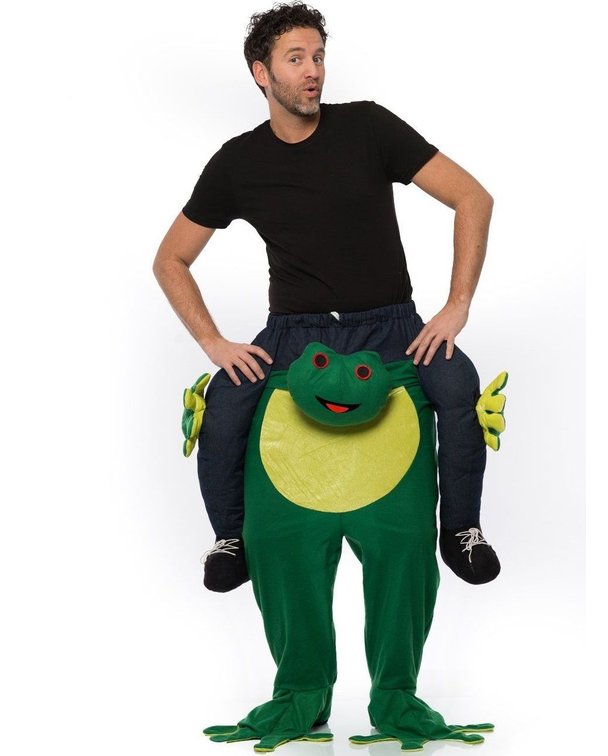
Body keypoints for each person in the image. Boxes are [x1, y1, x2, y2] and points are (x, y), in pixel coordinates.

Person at [153, 1, 500, 591]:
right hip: (296, 332)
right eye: (295, 59)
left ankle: (461, 529)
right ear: (261, 73)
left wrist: (456, 305)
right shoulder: (237, 162)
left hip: (392, 325)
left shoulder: (369, 126)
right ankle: (230, 538)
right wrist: (213, 342)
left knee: (456, 385)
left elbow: (473, 197)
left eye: (318, 57)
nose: (312, 70)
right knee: (226, 404)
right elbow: (170, 260)